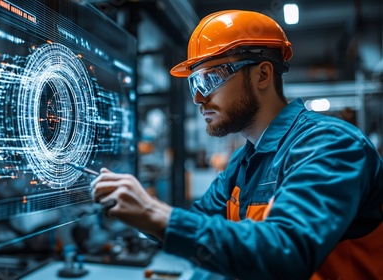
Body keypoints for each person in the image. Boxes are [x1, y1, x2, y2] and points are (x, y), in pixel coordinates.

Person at [91, 10, 383, 279]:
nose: (198, 99)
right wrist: (137, 208)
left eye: (210, 79)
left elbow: (286, 253)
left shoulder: (331, 146)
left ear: (262, 75)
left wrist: (155, 215)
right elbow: (202, 226)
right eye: (194, 84)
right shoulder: (242, 164)